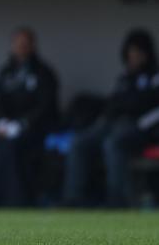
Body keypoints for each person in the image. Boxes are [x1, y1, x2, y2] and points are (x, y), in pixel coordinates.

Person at [0, 28, 59, 206]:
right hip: (5, 126)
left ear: (32, 46)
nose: (21, 47)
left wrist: (22, 124)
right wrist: (2, 122)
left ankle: (11, 200)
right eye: (18, 43)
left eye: (25, 43)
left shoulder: (43, 73)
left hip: (33, 129)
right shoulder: (6, 72)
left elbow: (45, 106)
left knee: (9, 151)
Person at [63, 29, 159, 207]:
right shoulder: (124, 79)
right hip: (112, 124)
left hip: (139, 128)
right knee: (78, 142)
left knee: (112, 144)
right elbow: (111, 105)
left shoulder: (154, 78)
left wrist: (142, 124)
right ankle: (74, 198)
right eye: (131, 52)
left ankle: (116, 199)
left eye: (138, 52)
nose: (134, 57)